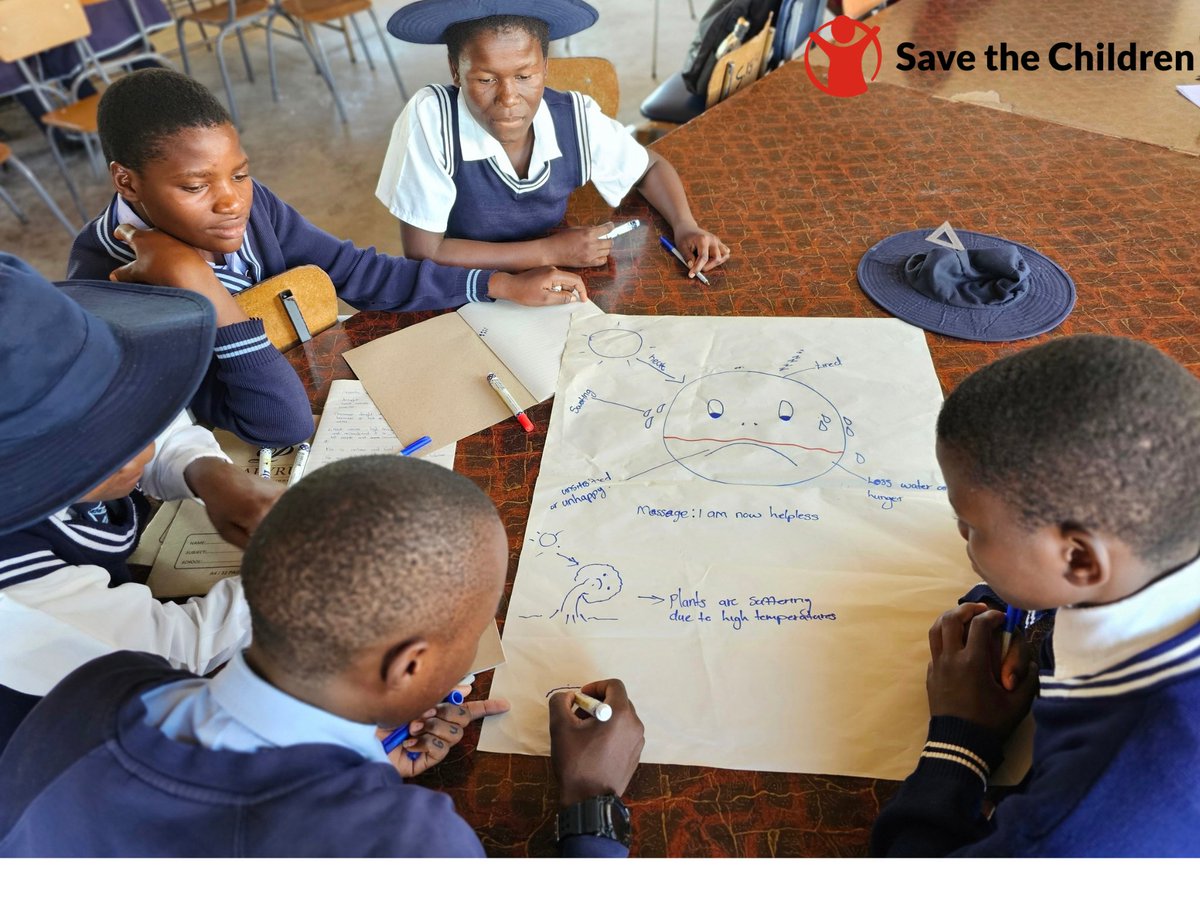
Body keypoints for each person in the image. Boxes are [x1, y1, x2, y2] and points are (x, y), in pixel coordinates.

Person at [0, 455, 646, 857]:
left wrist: (364, 767)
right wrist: (591, 801)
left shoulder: (103, 683)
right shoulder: (401, 847)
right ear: (409, 667)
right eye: (476, 627)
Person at [68, 68, 590, 447]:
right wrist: (197, 284)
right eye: (194, 185)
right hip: (239, 446)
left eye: (239, 174)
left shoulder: (253, 209)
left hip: (312, 379)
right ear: (126, 181)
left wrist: (498, 284)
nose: (231, 202)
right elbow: (278, 422)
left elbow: (357, 272)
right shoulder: (107, 284)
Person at [871, 335, 1200, 856]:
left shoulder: (1077, 824)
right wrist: (1024, 606)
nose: (959, 535)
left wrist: (960, 743)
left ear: (1078, 561)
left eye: (970, 524)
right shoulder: (1158, 523)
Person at [0, 254, 280, 750]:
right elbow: (176, 652)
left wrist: (208, 472)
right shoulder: (16, 590)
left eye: (124, 408)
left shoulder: (33, 392)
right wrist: (309, 569)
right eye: (105, 445)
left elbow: (143, 421)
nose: (145, 445)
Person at [377, 0, 731, 278]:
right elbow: (426, 252)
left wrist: (685, 226)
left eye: (525, 75)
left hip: (553, 278)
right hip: (463, 284)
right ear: (456, 71)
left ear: (546, 67)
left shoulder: (573, 117)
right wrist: (549, 252)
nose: (509, 98)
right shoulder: (432, 119)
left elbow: (649, 167)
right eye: (485, 80)